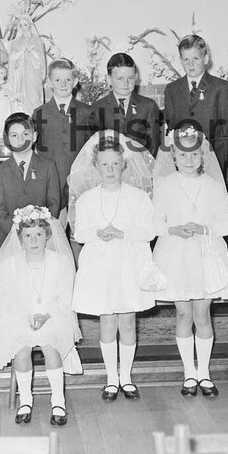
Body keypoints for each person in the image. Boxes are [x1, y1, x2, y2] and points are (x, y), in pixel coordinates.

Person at [69, 132, 157, 401]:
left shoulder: (139, 197)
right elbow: (80, 232)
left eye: (115, 164)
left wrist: (122, 233)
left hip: (129, 261)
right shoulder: (86, 200)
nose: (110, 170)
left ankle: (126, 377)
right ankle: (111, 378)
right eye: (104, 164)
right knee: (107, 321)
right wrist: (98, 233)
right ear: (96, 166)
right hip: (100, 265)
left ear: (124, 165)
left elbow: (149, 231)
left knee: (127, 321)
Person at [151, 123, 228, 397]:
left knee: (202, 314)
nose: (189, 160)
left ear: (203, 156)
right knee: (183, 313)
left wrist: (204, 229)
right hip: (175, 254)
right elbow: (154, 222)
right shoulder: (165, 185)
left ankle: (205, 373)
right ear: (173, 157)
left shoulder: (212, 185)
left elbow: (227, 224)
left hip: (204, 253)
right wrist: (172, 229)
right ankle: (189, 372)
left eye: (195, 155)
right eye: (183, 155)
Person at [0, 206, 82, 427]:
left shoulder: (60, 262)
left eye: (39, 235)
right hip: (20, 317)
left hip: (54, 316)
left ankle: (58, 401)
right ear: (20, 239)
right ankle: (26, 401)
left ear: (47, 235)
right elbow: (7, 297)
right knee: (21, 346)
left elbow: (65, 296)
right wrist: (26, 317)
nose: (34, 241)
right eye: (28, 236)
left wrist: (46, 315)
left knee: (51, 344)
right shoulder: (10, 264)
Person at [31, 58, 98, 227]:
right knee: (55, 230)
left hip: (80, 180)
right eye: (57, 80)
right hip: (51, 181)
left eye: (68, 79)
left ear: (75, 82)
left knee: (80, 228)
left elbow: (94, 148)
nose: (63, 84)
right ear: (49, 82)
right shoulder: (39, 113)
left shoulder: (86, 112)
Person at [162, 35, 228, 177]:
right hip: (184, 166)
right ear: (180, 61)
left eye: (195, 59)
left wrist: (218, 164)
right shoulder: (172, 90)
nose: (191, 65)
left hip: (213, 162)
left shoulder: (221, 87)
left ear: (206, 59)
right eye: (186, 60)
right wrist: (179, 162)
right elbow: (172, 131)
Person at [0, 113, 62, 246]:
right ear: (7, 139)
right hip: (11, 239)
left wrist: (38, 232)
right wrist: (18, 233)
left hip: (42, 239)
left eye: (25, 134)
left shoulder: (48, 166)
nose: (20, 140)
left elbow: (54, 203)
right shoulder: (0, 171)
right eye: (14, 135)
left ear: (34, 136)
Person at [92, 53, 161, 157]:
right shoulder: (98, 107)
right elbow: (95, 146)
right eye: (120, 78)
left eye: (130, 78)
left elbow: (153, 145)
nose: (126, 83)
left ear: (136, 77)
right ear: (108, 78)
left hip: (141, 169)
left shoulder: (148, 106)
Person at [7, 13, 47, 115]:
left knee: (34, 98)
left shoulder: (37, 41)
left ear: (30, 25)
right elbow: (11, 59)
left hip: (33, 75)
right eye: (21, 25)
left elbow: (41, 60)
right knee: (20, 101)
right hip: (19, 76)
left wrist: (31, 51)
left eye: (25, 25)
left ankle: (34, 122)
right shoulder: (15, 42)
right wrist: (21, 53)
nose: (23, 28)